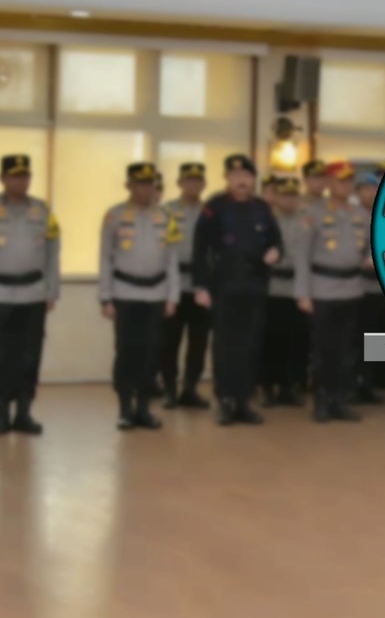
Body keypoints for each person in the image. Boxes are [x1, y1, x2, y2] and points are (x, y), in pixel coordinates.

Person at [0, 154, 60, 436]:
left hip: (33, 295)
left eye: (25, 176)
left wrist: (52, 290)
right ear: (2, 179)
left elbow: (53, 253)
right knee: (1, 356)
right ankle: (1, 413)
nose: (21, 181)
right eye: (14, 176)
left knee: (31, 356)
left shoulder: (43, 210)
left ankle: (24, 412)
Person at [193, 153, 283, 426]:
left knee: (250, 344)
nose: (241, 181)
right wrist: (200, 286)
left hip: (254, 285)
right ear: (227, 178)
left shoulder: (262, 208)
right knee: (225, 346)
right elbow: (200, 249)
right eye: (236, 176)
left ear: (253, 180)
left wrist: (276, 252)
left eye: (246, 176)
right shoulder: (215, 207)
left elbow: (277, 241)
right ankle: (226, 401)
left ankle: (244, 401)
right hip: (224, 285)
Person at [99, 162, 180, 431]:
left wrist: (173, 297)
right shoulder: (114, 216)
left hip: (156, 294)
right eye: (140, 184)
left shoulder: (166, 217)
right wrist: (105, 297)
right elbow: (105, 258)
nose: (146, 189)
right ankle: (125, 409)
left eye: (150, 184)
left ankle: (144, 409)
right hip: (125, 293)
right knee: (127, 352)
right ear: (129, 185)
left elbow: (171, 260)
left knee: (151, 352)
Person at [296, 160, 368, 423]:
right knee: (323, 351)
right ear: (328, 183)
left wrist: (371, 258)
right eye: (341, 181)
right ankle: (322, 401)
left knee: (346, 350)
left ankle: (340, 400)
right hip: (322, 289)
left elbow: (372, 245)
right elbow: (302, 256)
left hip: (352, 288)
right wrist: (303, 293)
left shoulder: (361, 214)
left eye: (349, 181)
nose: (346, 186)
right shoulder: (313, 213)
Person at [161, 161, 210, 410]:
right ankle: (169, 390)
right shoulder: (167, 211)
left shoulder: (210, 211)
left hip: (202, 287)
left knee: (198, 343)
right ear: (179, 183)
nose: (193, 185)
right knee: (170, 341)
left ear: (204, 184)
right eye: (189, 180)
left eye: (198, 181)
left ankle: (190, 389)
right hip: (175, 286)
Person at [260, 175, 308, 407]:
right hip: (273, 287)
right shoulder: (266, 220)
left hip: (298, 288)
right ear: (277, 197)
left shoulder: (306, 221)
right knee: (271, 340)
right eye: (285, 195)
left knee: (296, 341)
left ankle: (289, 387)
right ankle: (268, 386)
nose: (290, 200)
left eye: (294, 195)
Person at [354, 170, 385, 402]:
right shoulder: (352, 216)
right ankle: (354, 385)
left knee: (376, 339)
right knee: (357, 340)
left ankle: (368, 383)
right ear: (358, 192)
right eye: (366, 189)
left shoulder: (384, 217)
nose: (372, 193)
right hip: (360, 286)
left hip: (381, 287)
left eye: (375, 189)